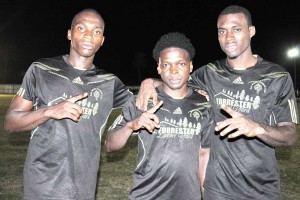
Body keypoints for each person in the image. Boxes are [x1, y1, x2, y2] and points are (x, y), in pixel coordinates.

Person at [136, 5, 299, 200]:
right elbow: (176, 81)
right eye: (222, 31)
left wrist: (257, 128)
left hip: (262, 189)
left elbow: (289, 135)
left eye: (236, 29)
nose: (229, 37)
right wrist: (150, 81)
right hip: (217, 188)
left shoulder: (277, 76)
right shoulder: (209, 73)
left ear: (251, 31)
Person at [4, 8, 133, 200]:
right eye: (81, 28)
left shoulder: (109, 82)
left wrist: (152, 82)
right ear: (70, 34)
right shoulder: (41, 70)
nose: (89, 35)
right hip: (41, 185)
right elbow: (10, 123)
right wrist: (49, 111)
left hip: (83, 187)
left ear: (102, 41)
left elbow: (142, 102)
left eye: (96, 31)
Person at [105, 32, 214, 200]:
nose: (174, 71)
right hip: (147, 195)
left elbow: (204, 154)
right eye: (166, 65)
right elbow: (110, 145)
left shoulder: (204, 104)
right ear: (158, 68)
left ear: (191, 66)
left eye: (180, 64)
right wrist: (130, 126)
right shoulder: (143, 100)